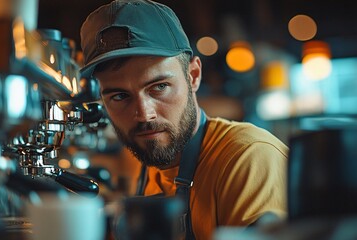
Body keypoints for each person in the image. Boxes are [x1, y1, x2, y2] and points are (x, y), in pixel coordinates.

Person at [79, 0, 288, 239]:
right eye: (119, 96)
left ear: (194, 76)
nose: (144, 114)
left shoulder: (249, 158)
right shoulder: (144, 162)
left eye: (159, 87)